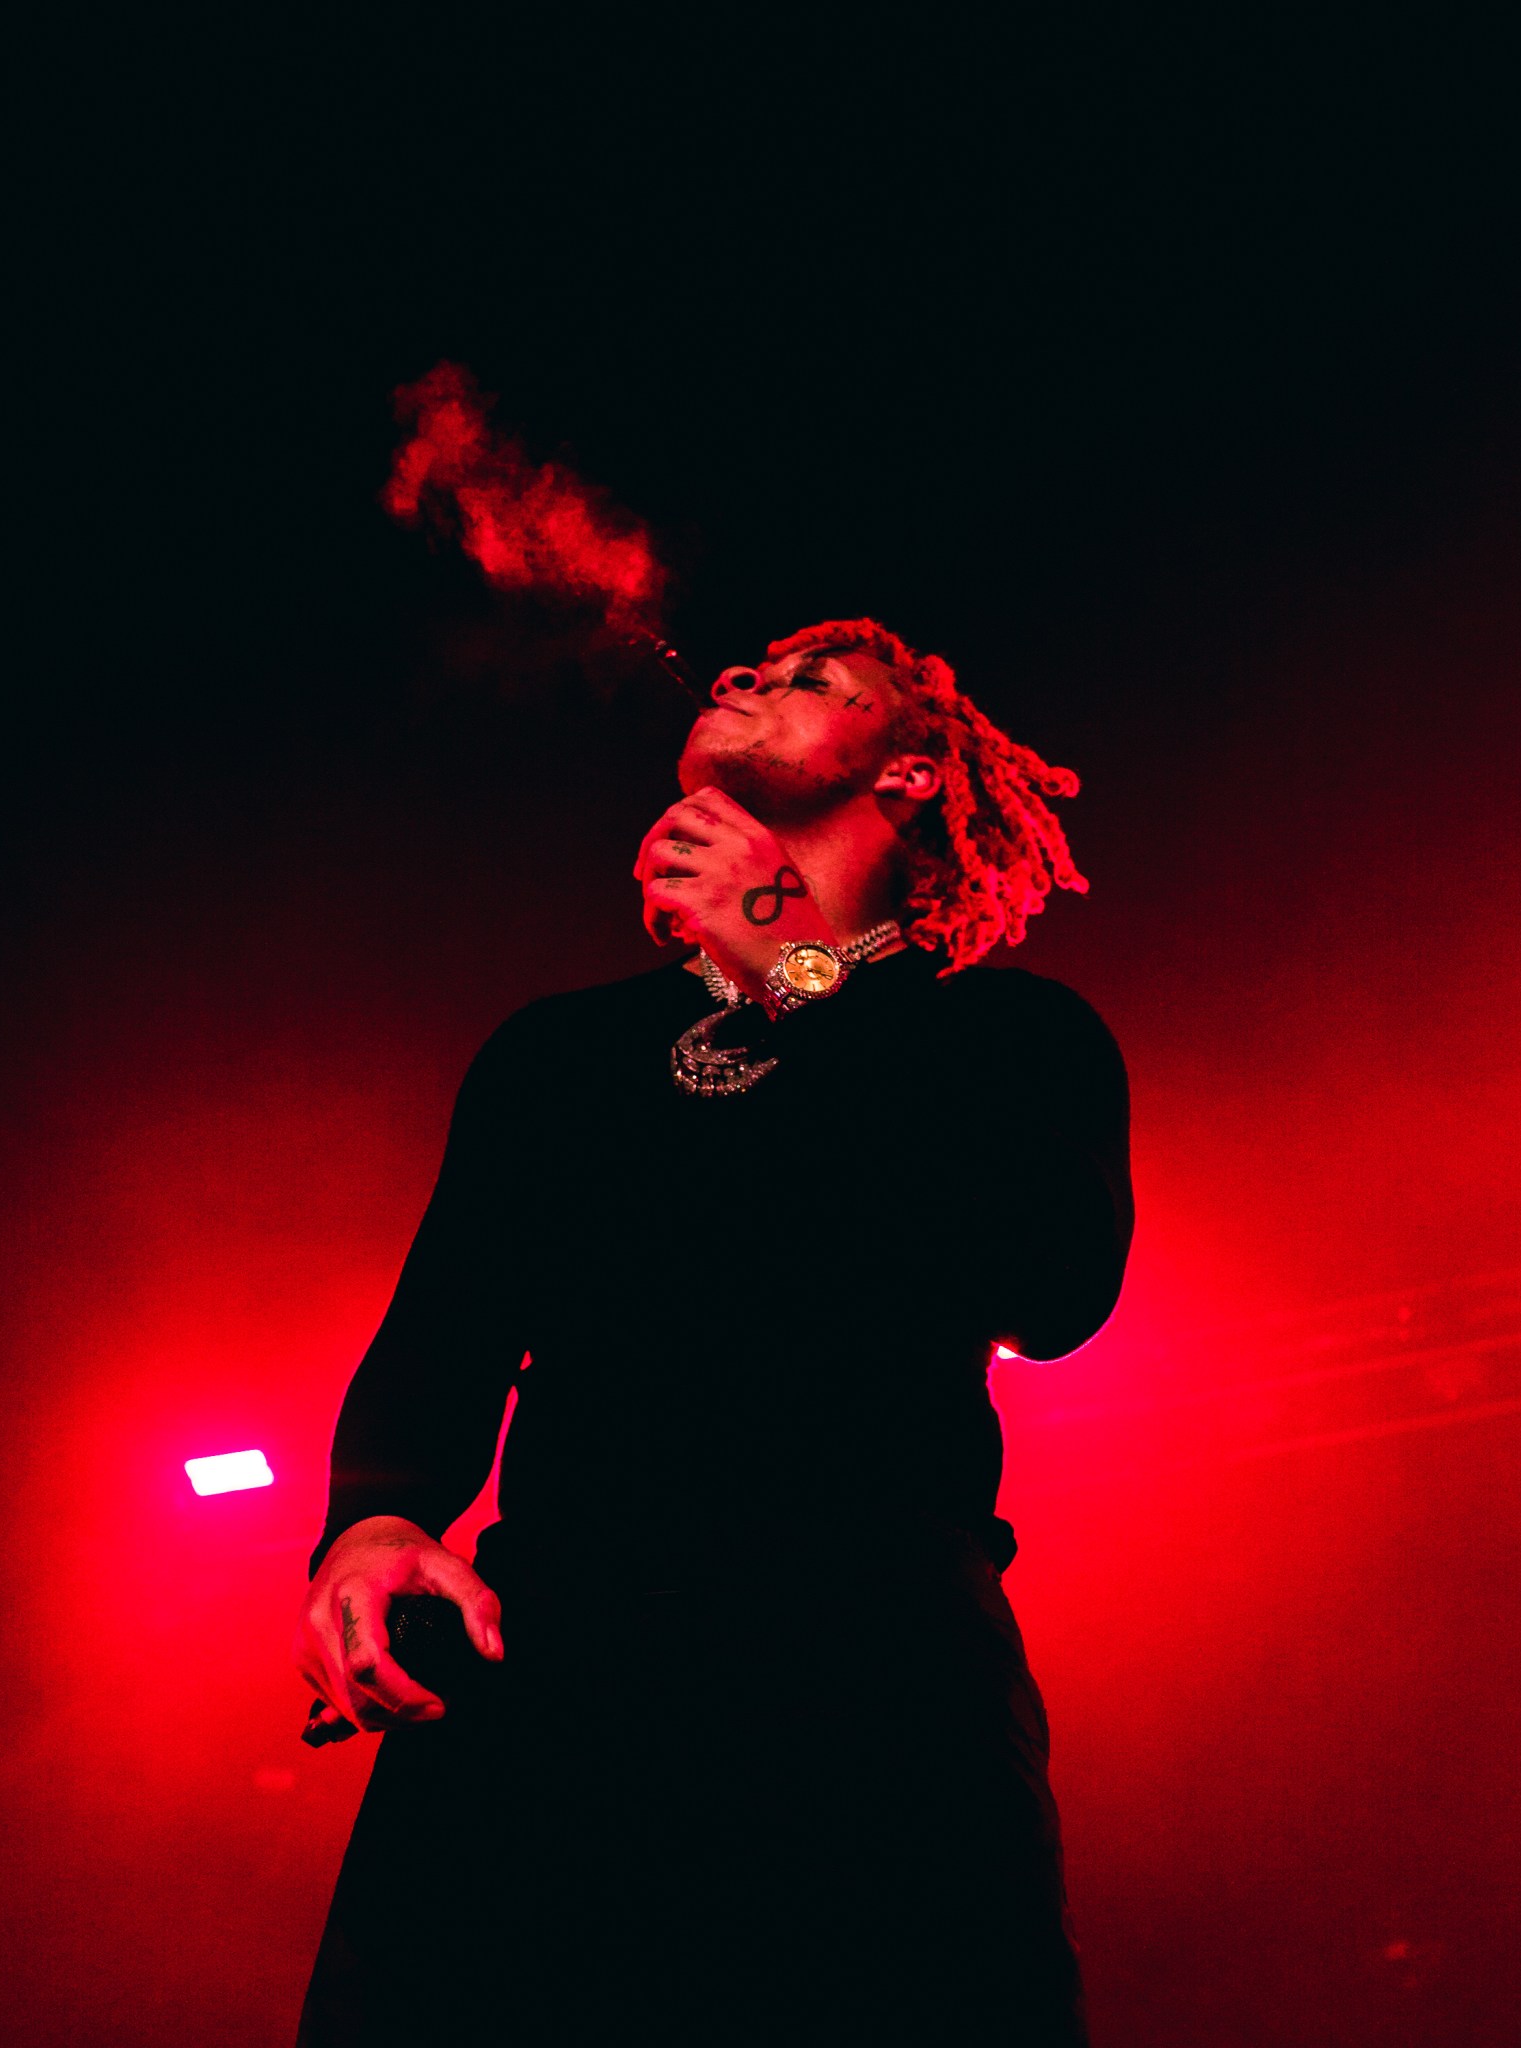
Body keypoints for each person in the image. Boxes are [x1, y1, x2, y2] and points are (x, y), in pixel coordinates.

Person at [293, 619, 1133, 2045]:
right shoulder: (559, 1053)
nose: (746, 677)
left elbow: (1051, 1290)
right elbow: (446, 1329)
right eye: (747, 668)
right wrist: (372, 1522)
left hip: (872, 1677)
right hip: (552, 1667)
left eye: (812, 680)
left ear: (912, 773)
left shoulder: (1007, 1036)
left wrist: (790, 961)